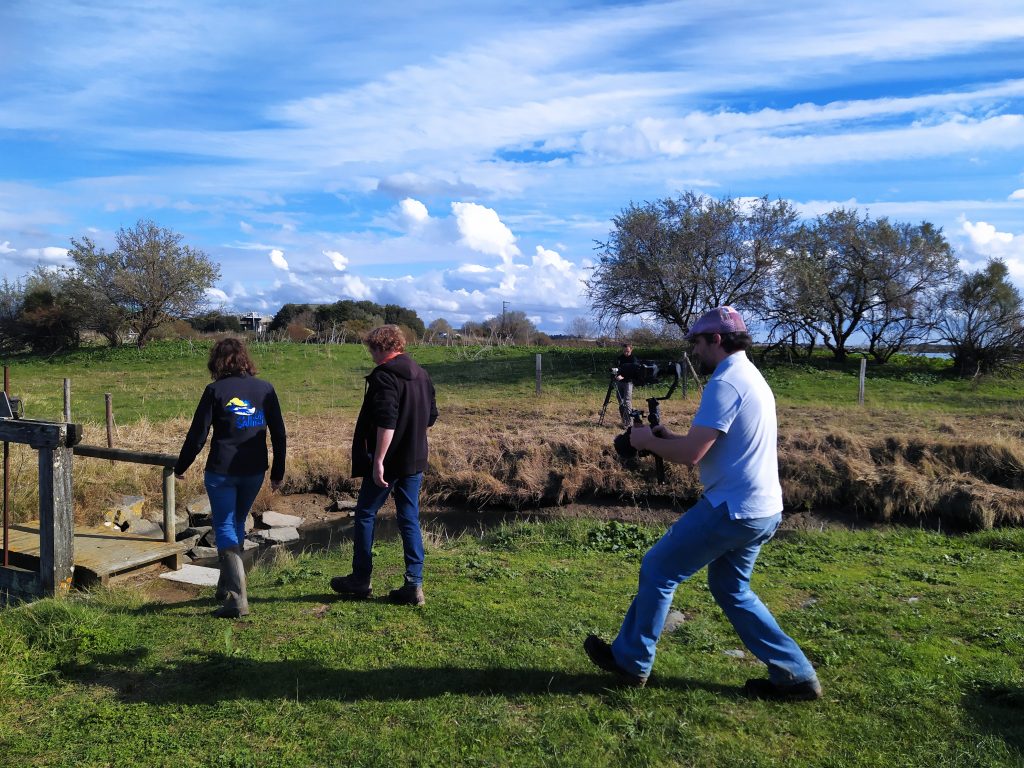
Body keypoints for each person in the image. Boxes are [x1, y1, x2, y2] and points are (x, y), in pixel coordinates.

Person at [584, 306, 821, 701]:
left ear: (716, 339)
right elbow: (712, 444)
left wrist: (644, 441)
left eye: (696, 341)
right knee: (732, 588)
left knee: (659, 568)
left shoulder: (726, 382)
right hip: (762, 507)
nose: (693, 350)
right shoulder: (751, 376)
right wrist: (667, 435)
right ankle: (795, 676)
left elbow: (694, 454)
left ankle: (630, 662)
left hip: (734, 507)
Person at [175, 338, 286, 619]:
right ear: (245, 359)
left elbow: (197, 435)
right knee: (237, 521)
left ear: (217, 361)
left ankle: (237, 600)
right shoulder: (265, 389)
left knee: (224, 524)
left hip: (222, 470)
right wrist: (278, 471)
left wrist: (181, 466)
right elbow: (280, 433)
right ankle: (225, 589)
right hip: (254, 469)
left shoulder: (214, 391)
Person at [330, 325, 438, 606]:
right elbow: (431, 416)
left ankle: (361, 578)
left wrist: (378, 460)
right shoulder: (422, 374)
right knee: (409, 517)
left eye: (371, 349)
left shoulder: (385, 376)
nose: (371, 355)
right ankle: (414, 584)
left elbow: (386, 420)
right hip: (415, 459)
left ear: (381, 347)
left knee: (365, 513)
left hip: (389, 462)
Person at [614, 342, 636, 428]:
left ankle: (630, 423)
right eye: (624, 351)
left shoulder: (633, 359)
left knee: (627, 401)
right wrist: (616, 374)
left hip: (628, 382)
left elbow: (634, 371)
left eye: (627, 351)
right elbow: (616, 368)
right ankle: (624, 421)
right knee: (620, 402)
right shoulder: (620, 358)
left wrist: (623, 376)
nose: (626, 353)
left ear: (631, 350)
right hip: (619, 382)